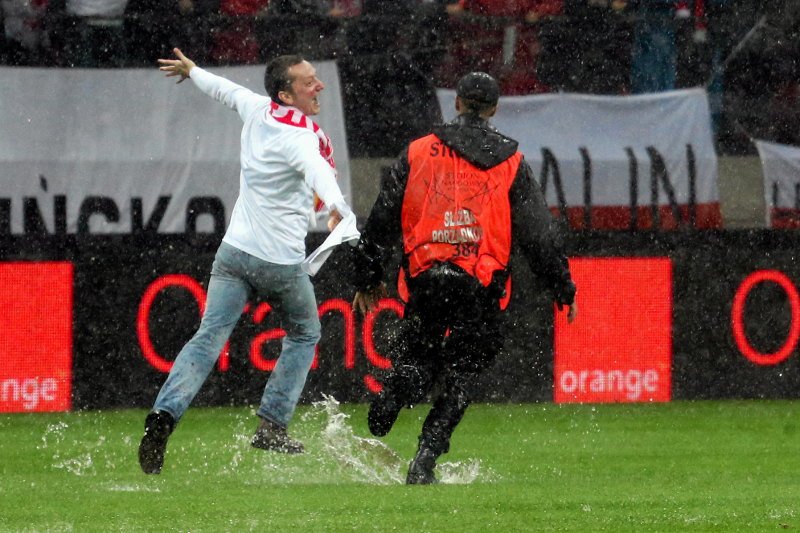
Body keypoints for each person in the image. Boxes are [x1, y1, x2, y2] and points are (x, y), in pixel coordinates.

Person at [350, 71, 578, 484]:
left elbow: (383, 214)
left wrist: (367, 275)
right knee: (464, 372)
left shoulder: (419, 151)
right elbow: (539, 234)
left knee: (420, 352)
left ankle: (399, 388)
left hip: (425, 273)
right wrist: (561, 286)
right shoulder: (511, 161)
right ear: (493, 109)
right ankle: (425, 457)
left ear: (455, 103)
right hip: (480, 279)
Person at [138, 48, 353, 474]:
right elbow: (317, 170)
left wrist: (194, 70)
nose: (319, 85)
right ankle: (272, 424)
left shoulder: (258, 109)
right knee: (306, 333)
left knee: (208, 338)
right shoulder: (302, 138)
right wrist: (339, 207)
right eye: (309, 81)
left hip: (234, 253)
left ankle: (163, 416)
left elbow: (224, 90)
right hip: (280, 263)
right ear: (286, 95)